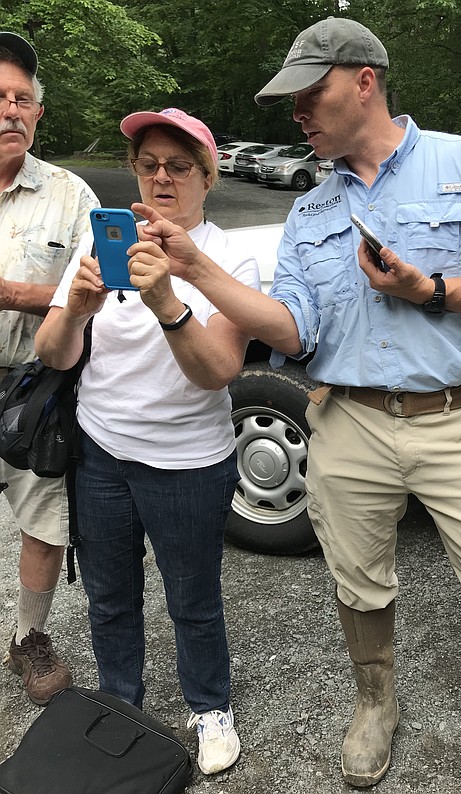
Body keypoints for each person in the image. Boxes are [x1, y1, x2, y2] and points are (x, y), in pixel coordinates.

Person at [128, 18, 461, 793]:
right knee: (359, 581)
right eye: (290, 99)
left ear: (364, 80)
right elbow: (291, 330)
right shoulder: (311, 215)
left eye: (311, 92)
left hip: (458, 421)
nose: (296, 112)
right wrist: (195, 268)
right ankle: (374, 704)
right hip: (347, 422)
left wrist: (428, 289)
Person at [34, 107, 260, 776]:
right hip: (101, 451)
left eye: (180, 166)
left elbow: (216, 372)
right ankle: (118, 703)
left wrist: (167, 298)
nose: (163, 177)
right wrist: (75, 309)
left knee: (192, 597)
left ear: (207, 177)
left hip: (189, 461)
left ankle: (209, 704)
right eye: (150, 164)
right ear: (135, 172)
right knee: (109, 597)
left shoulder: (229, 256)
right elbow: (52, 354)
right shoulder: (97, 244)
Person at [0, 31, 99, 706]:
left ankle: (27, 637)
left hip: (36, 385)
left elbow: (103, 289)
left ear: (38, 114)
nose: (10, 109)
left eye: (22, 98)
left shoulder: (72, 195)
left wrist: (9, 294)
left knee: (44, 518)